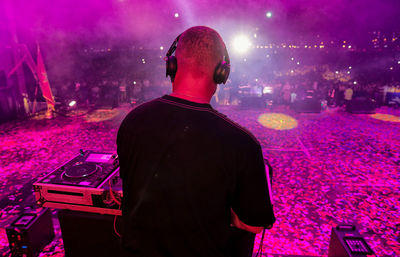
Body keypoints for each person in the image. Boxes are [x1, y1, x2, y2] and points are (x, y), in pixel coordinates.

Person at [117, 26, 275, 257]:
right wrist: (222, 210)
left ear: (172, 66)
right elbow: (254, 224)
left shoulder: (133, 121)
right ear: (222, 72)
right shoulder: (242, 143)